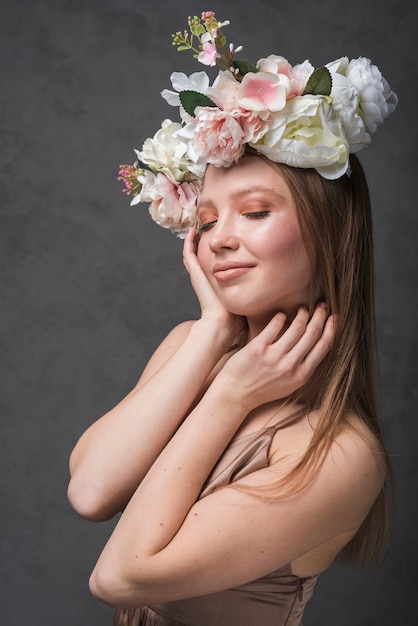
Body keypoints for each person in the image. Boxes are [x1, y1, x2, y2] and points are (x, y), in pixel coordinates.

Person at [67, 11, 397, 626]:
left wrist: (229, 398)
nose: (218, 240)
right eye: (209, 218)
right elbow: (90, 493)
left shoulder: (340, 454)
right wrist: (214, 332)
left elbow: (118, 576)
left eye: (255, 211)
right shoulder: (191, 345)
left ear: (329, 233)